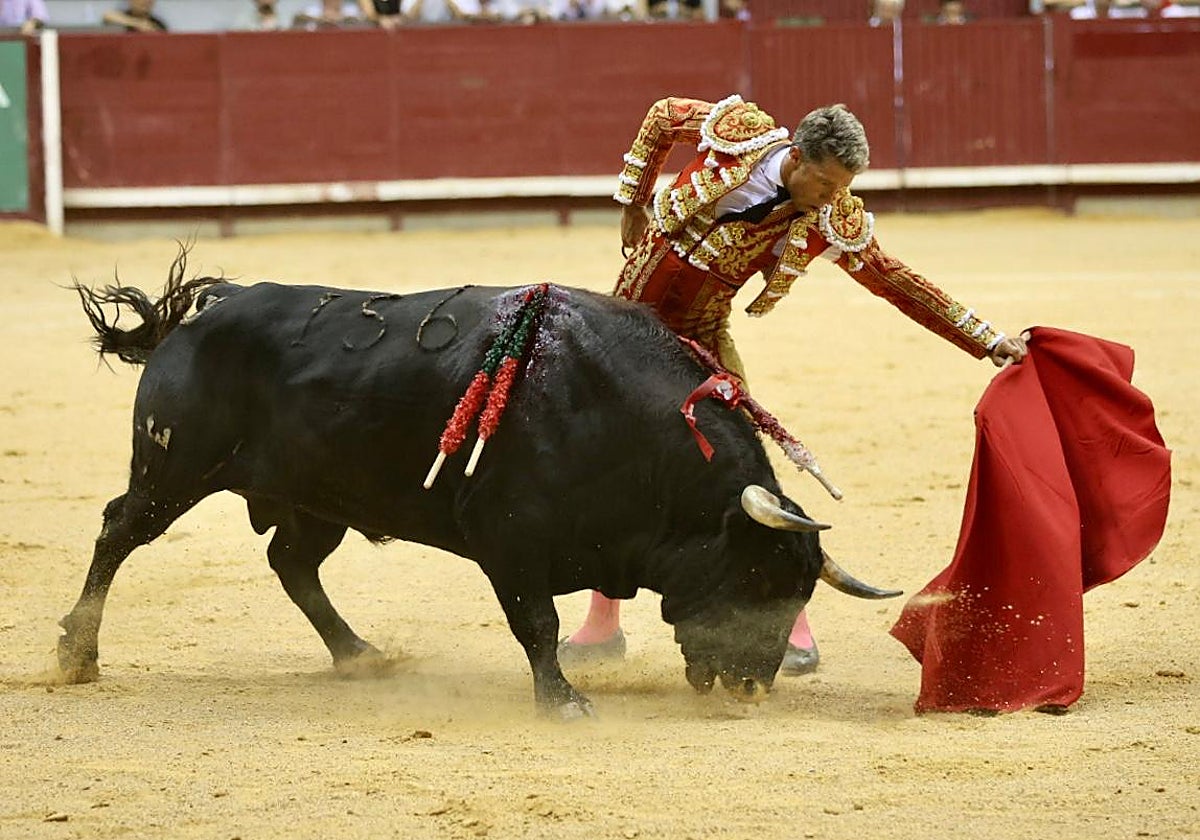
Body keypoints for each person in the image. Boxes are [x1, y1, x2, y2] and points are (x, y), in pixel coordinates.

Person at [558, 94, 1029, 676]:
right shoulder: (738, 133)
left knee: (743, 470)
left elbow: (895, 281)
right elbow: (659, 115)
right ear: (798, 157)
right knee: (609, 465)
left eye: (843, 187)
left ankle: (790, 616)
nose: (835, 198)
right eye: (826, 183)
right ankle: (601, 625)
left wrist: (985, 338)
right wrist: (632, 199)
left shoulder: (830, 217)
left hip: (703, 336)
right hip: (621, 329)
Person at [102, 0, 167, 31]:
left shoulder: (158, 24)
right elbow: (108, 16)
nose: (146, 1)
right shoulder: (122, 17)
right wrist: (138, 23)